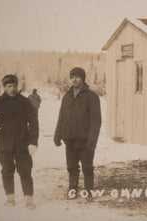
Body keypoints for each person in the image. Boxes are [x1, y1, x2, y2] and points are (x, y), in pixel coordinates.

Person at [0, 74, 39, 209]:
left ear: (17, 86)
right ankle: (10, 198)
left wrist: (33, 142)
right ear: (4, 87)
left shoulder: (24, 102)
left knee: (25, 171)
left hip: (22, 143)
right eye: (9, 86)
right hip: (4, 144)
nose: (12, 89)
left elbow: (34, 122)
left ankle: (29, 200)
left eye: (14, 86)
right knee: (7, 170)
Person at [54, 67, 101, 200]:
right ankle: (72, 190)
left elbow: (96, 121)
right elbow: (61, 116)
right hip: (69, 139)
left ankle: (88, 192)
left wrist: (92, 141)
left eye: (77, 77)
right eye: (72, 77)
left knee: (87, 167)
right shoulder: (66, 96)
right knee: (72, 167)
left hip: (85, 140)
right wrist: (58, 134)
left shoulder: (91, 97)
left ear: (83, 78)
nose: (74, 79)